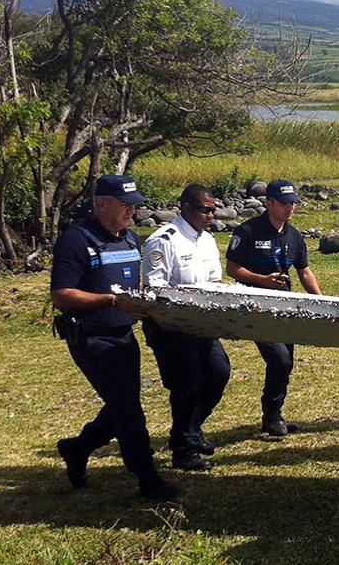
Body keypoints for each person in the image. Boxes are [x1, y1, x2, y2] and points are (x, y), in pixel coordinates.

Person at [50, 174, 179, 501]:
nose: (131, 212)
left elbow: (131, 290)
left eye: (135, 206)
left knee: (121, 405)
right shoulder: (76, 240)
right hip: (91, 336)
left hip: (123, 334)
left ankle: (77, 448)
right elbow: (61, 294)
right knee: (128, 408)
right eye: (125, 205)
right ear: (102, 204)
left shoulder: (131, 240)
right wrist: (109, 301)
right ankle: (147, 477)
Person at [142, 184, 231, 471]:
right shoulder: (163, 241)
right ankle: (183, 450)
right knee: (187, 386)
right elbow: (156, 289)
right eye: (206, 210)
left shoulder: (207, 240)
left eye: (213, 210)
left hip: (203, 326)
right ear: (187, 208)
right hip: (173, 327)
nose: (210, 215)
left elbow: (215, 282)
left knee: (218, 373)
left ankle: (190, 430)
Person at [225, 179, 323, 437]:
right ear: (269, 203)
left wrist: (323, 301)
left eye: (293, 203)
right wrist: (262, 280)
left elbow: (304, 271)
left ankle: (273, 415)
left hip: (285, 307)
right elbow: (232, 269)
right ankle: (271, 415)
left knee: (286, 361)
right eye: (284, 203)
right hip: (256, 308)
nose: (290, 208)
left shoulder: (294, 235)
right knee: (278, 359)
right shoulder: (247, 232)